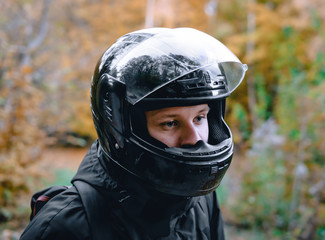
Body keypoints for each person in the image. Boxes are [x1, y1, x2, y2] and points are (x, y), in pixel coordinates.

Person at [20, 27, 247, 240]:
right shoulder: (65, 226)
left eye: (199, 118)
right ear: (121, 130)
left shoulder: (199, 200)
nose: (195, 138)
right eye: (170, 123)